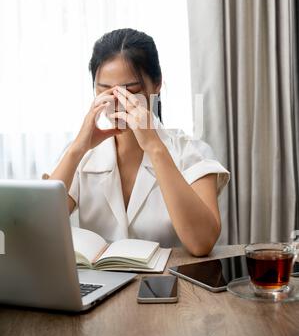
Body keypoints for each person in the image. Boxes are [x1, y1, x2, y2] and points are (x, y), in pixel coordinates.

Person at [49, 28, 230, 256]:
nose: (117, 101)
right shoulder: (82, 155)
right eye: (104, 90)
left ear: (156, 85)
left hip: (170, 286)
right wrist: (77, 149)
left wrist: (155, 148)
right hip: (103, 287)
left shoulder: (192, 153)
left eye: (129, 90)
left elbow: (201, 243)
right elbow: (38, 229)